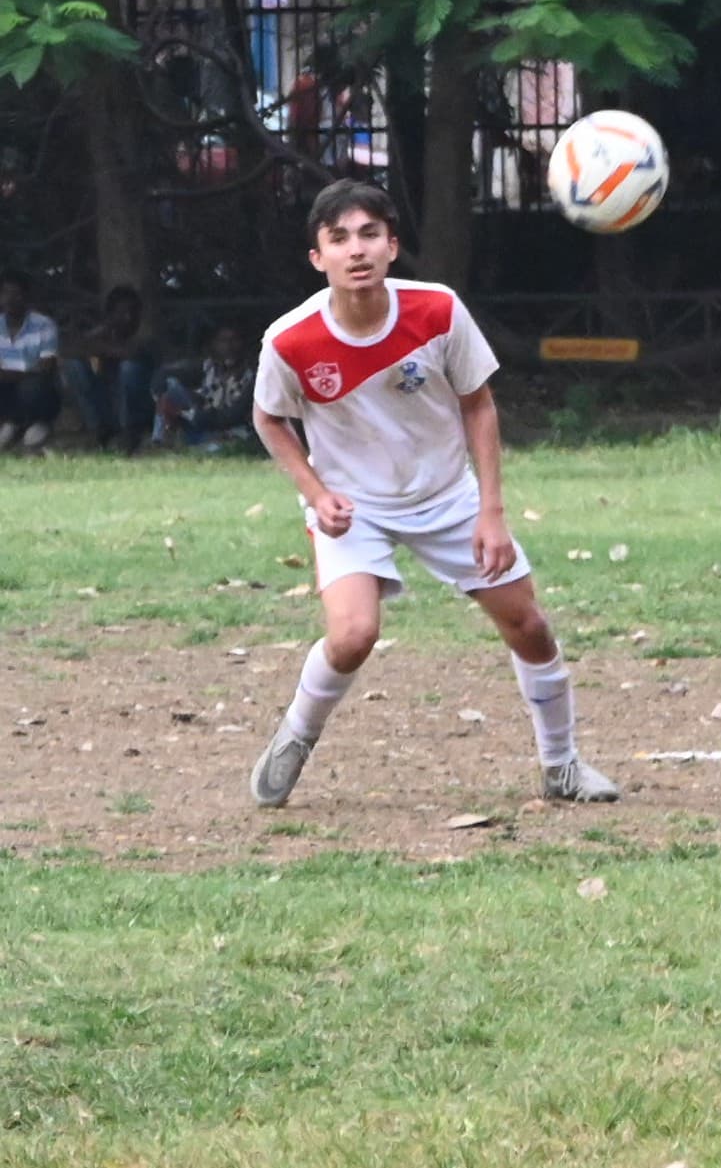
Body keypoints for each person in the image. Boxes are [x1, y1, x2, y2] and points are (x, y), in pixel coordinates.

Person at [246, 180, 619, 808]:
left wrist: (491, 514)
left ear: (393, 245)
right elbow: (268, 419)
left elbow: (479, 405)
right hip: (353, 507)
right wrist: (316, 491)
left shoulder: (437, 310)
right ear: (318, 258)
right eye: (338, 239)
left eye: (369, 234)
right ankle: (295, 736)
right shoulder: (290, 339)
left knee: (528, 624)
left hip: (447, 496)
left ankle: (563, 766)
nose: (356, 250)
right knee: (353, 635)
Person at [61, 285, 156, 454]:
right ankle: (97, 430)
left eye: (133, 313)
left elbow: (130, 353)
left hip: (137, 412)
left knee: (128, 369)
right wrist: (99, 333)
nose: (128, 318)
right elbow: (68, 351)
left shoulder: (146, 341)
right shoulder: (101, 338)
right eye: (121, 313)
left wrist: (100, 348)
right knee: (74, 366)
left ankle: (129, 433)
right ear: (110, 315)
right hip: (107, 406)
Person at [154, 324, 256, 450]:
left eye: (234, 340)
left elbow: (232, 416)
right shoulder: (206, 367)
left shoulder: (253, 377)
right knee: (170, 386)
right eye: (223, 341)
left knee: (217, 447)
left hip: (233, 431)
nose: (229, 346)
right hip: (200, 427)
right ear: (214, 344)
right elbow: (164, 374)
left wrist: (192, 414)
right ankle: (158, 440)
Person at [0, 271, 62, 453]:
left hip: (36, 389)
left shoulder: (44, 325)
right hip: (7, 388)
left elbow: (46, 368)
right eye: (5, 293)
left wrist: (10, 374)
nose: (10, 300)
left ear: (27, 298)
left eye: (16, 294)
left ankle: (38, 424)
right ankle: (11, 424)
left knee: (31, 387)